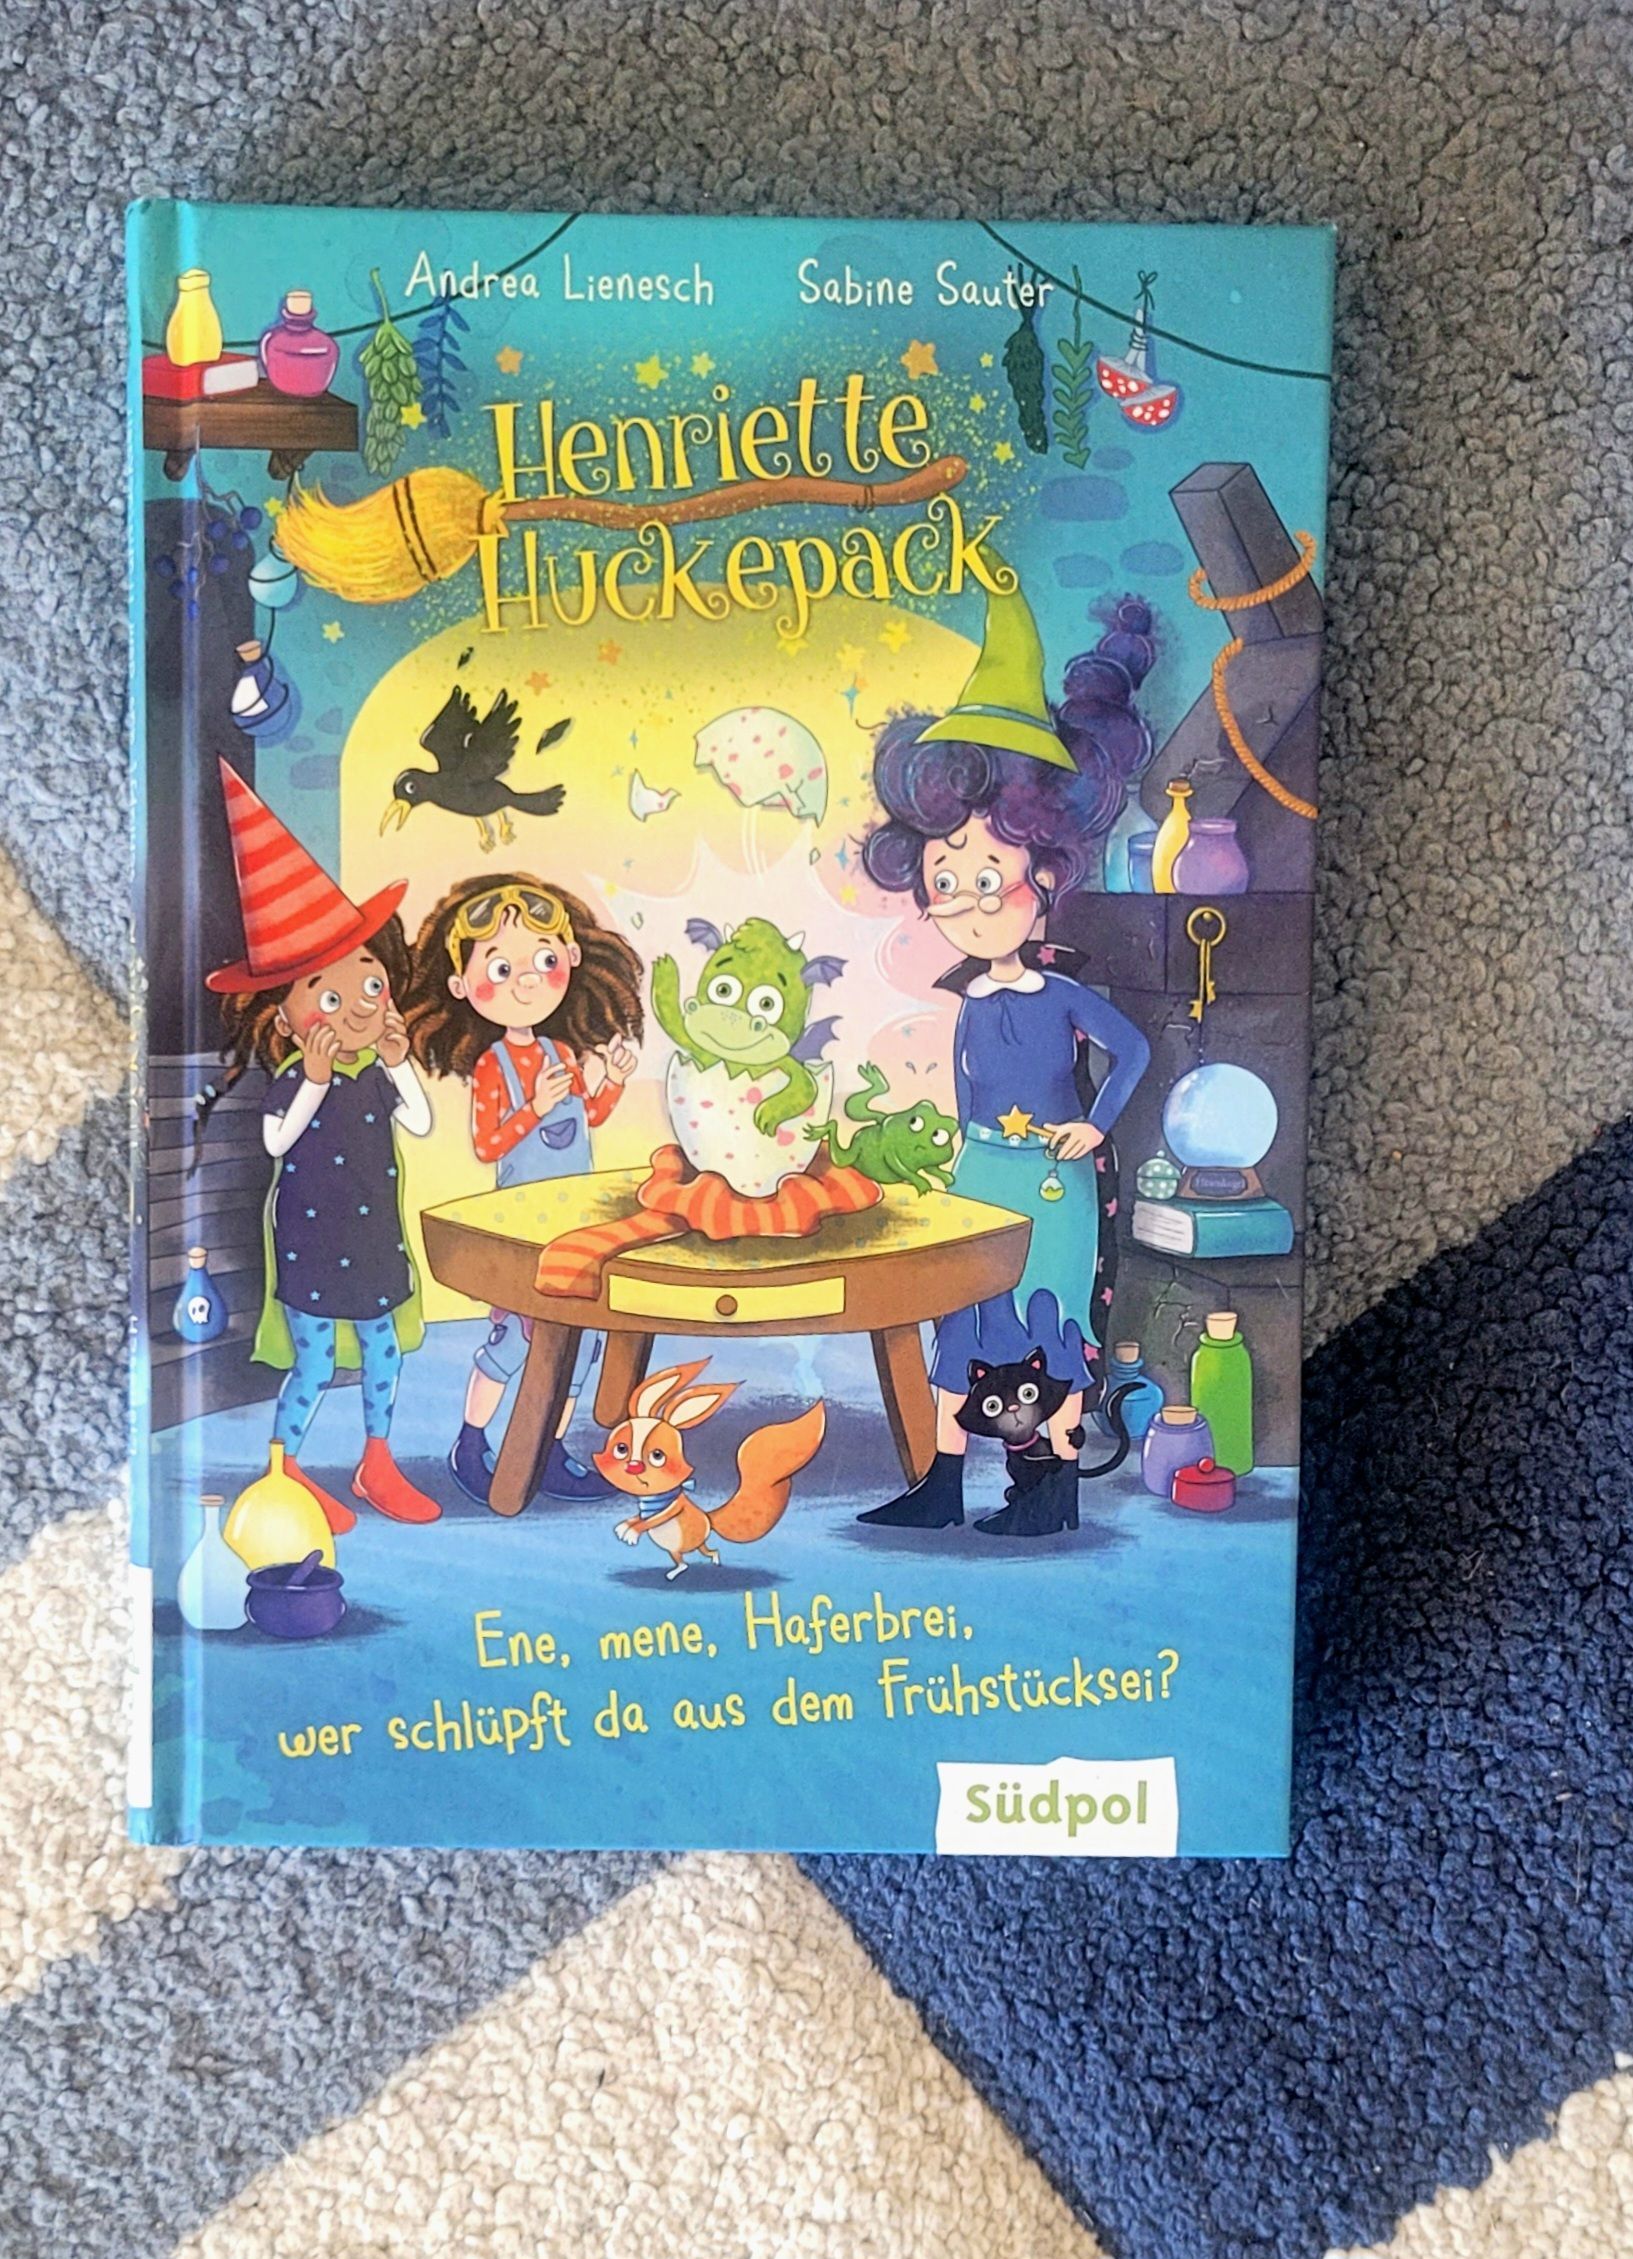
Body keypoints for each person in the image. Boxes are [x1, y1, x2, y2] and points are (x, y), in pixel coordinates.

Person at [856, 567, 1151, 1538]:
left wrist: (1092, 1127)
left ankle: (1050, 1488)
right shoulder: (968, 1001)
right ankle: (941, 1482)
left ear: (1044, 872)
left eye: (990, 878)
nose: (968, 902)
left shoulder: (1061, 994)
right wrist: (951, 1155)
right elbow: (960, 1090)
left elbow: (1132, 1052)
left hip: (1051, 1180)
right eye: (946, 881)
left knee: (1048, 1318)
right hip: (978, 1169)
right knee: (962, 1316)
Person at [205, 761, 438, 1527]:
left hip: (373, 1237)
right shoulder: (293, 1078)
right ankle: (288, 1468)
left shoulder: (375, 1069)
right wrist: (309, 1078)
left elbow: (420, 1122)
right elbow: (276, 1138)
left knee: (382, 1349)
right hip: (311, 1241)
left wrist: (399, 1063)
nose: (359, 1008)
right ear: (285, 1020)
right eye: (330, 996)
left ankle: (377, 1461)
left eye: (370, 985)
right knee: (312, 1361)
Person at [406, 876, 643, 1505]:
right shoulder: (493, 1066)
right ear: (462, 986)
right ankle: (471, 1441)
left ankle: (551, 1449)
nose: (527, 982)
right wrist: (532, 1107)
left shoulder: (563, 1051)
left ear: (570, 958)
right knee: (514, 1340)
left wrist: (613, 1081)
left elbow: (589, 1116)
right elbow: (489, 1145)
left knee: (580, 1342)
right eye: (502, 968)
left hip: (576, 1226)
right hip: (522, 1229)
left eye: (543, 961)